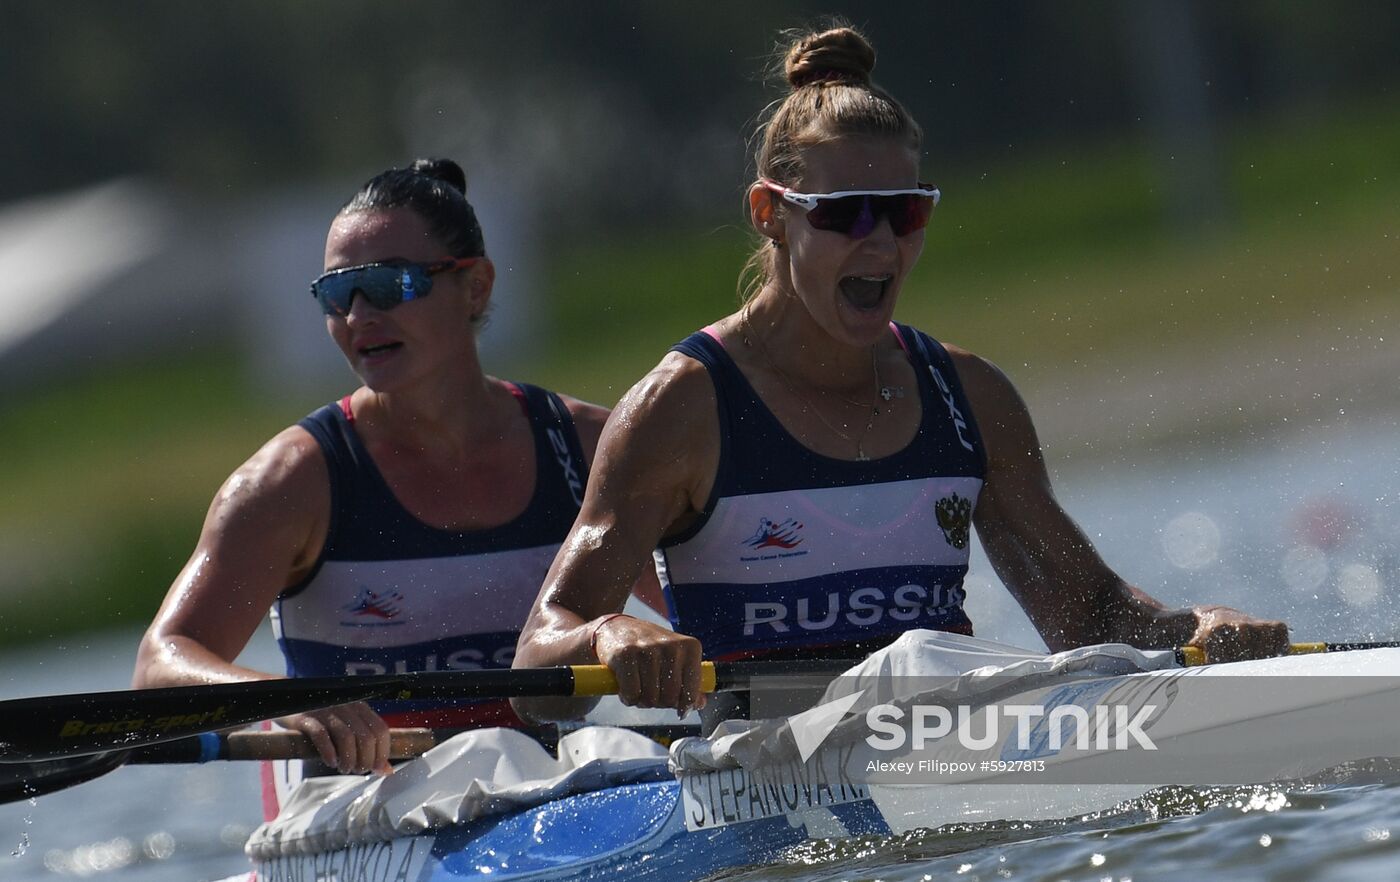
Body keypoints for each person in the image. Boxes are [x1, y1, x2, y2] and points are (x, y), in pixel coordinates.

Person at [511, 24, 1289, 725]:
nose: (879, 243)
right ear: (768, 214)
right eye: (845, 213)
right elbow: (534, 664)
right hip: (763, 773)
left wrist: (1197, 628)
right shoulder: (682, 409)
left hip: (948, 750)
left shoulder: (970, 398)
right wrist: (611, 632)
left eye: (904, 212)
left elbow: (1086, 616)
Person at [133, 158, 664, 787]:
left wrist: (630, 639)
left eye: (389, 286)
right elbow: (161, 667)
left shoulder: (588, 447)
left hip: (557, 791)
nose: (358, 318)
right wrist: (287, 701)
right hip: (361, 806)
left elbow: (703, 614)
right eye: (337, 295)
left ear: (477, 286)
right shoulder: (290, 484)